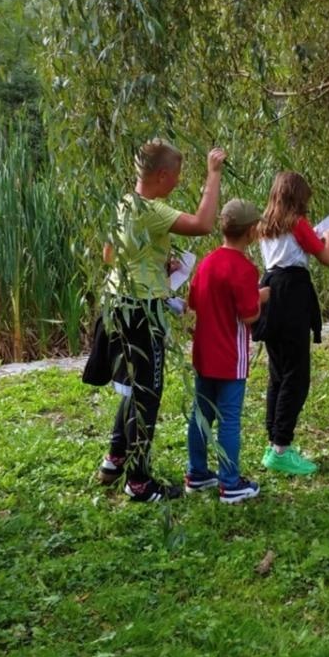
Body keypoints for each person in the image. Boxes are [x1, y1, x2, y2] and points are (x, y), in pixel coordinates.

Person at [98, 139, 226, 502]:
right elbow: (203, 224)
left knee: (133, 385)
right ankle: (138, 481)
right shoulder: (152, 209)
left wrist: (156, 264)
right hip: (142, 311)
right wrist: (212, 174)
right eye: (177, 177)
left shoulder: (124, 202)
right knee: (147, 393)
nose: (177, 183)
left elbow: (110, 254)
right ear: (163, 175)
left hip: (118, 302)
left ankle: (115, 458)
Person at [185, 199, 269, 504]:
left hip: (204, 355)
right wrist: (262, 297)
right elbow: (248, 316)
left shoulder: (207, 262)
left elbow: (194, 302)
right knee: (230, 419)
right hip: (230, 359)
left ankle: (196, 473)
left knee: (201, 415)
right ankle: (230, 483)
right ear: (250, 232)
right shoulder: (245, 268)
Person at [256, 171, 329, 476]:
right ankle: (281, 448)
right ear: (298, 197)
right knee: (296, 376)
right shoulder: (297, 224)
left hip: (271, 291)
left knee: (278, 373)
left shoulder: (267, 226)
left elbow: (293, 247)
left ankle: (274, 442)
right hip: (292, 296)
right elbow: (327, 257)